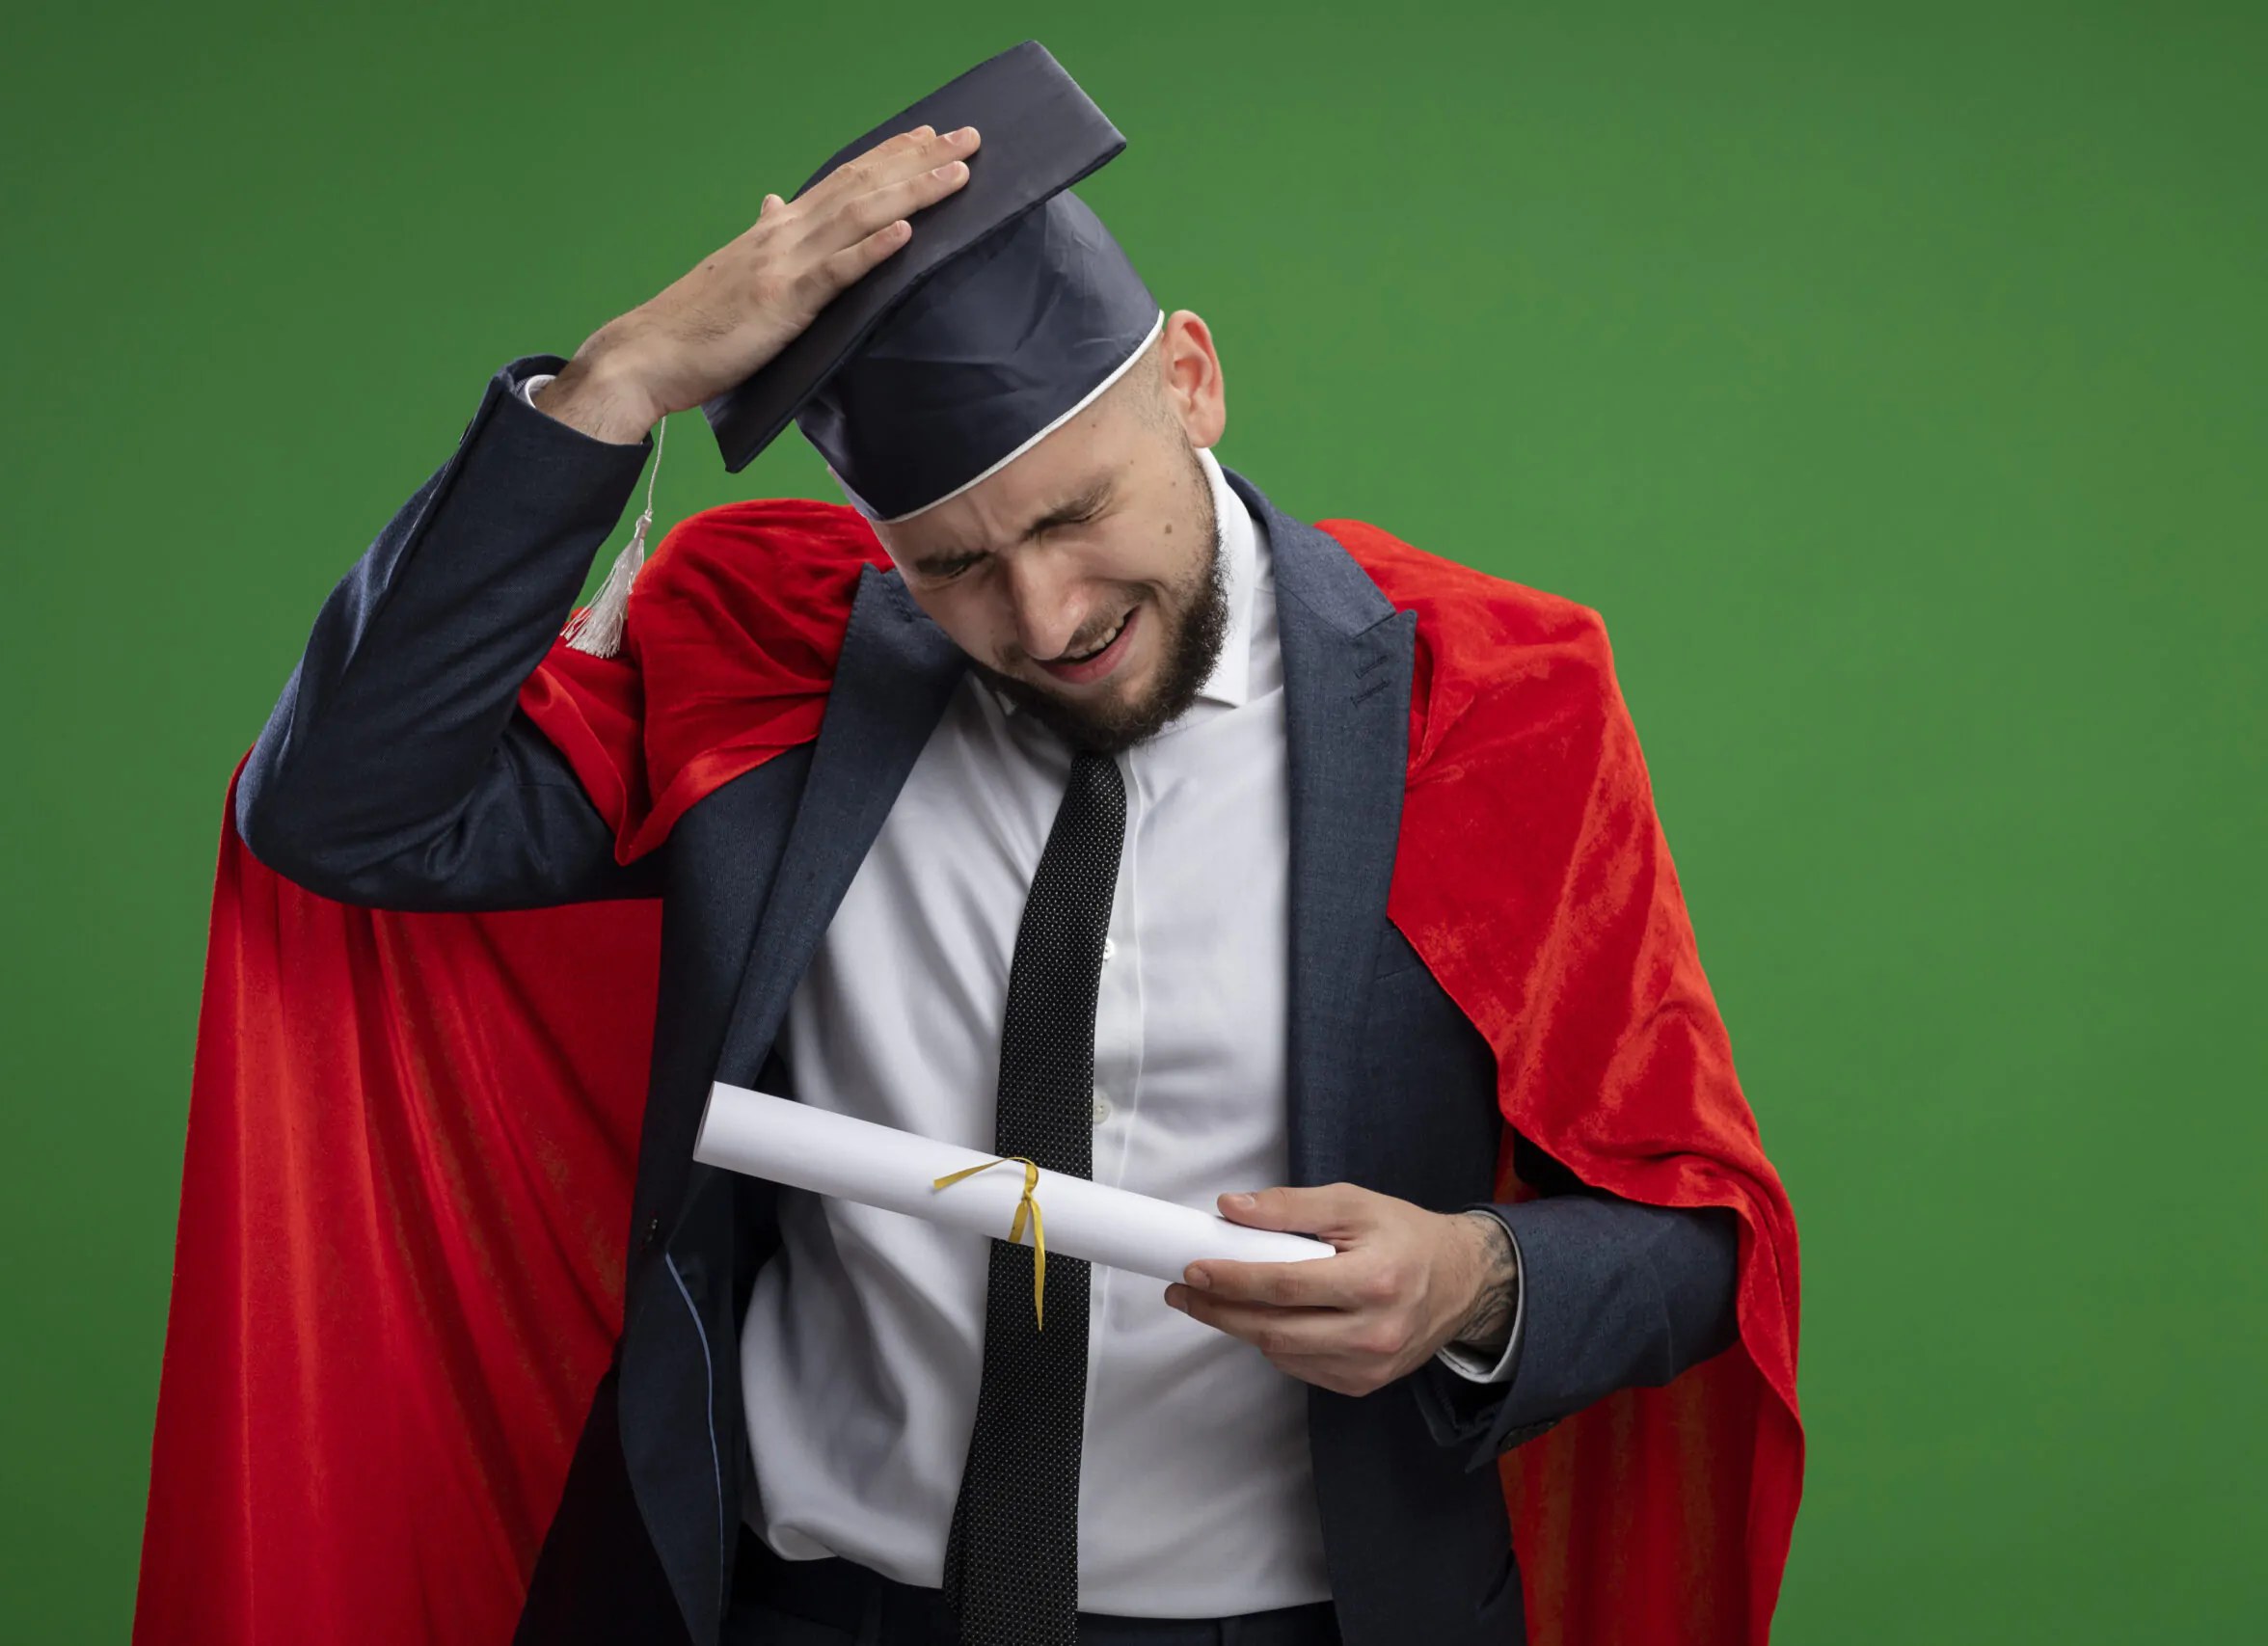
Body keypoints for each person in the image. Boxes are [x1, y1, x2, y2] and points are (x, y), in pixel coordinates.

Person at [176, 40, 1799, 1646]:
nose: (1045, 615)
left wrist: (1472, 1280)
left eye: (1075, 513)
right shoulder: (771, 654)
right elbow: (344, 808)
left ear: (1191, 379)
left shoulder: (1489, 698)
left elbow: (1691, 1232)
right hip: (804, 1609)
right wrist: (611, 387)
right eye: (951, 564)